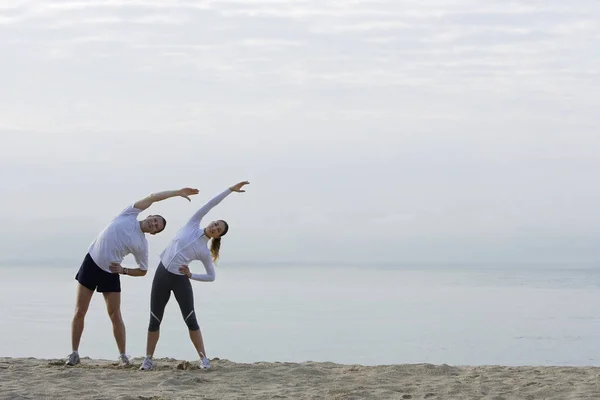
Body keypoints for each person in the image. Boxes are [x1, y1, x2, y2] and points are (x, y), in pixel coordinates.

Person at [65, 187, 200, 367]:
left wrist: (124, 270)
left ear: (153, 233)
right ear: (150, 215)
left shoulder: (142, 245)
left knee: (115, 314)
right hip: (91, 263)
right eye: (155, 220)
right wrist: (177, 193)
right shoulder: (129, 214)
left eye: (156, 226)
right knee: (80, 311)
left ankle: (122, 356)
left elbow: (143, 270)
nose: (153, 224)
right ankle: (74, 353)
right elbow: (153, 197)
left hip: (111, 272)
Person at [140, 180, 249, 371]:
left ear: (217, 236)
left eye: (218, 230)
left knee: (190, 319)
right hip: (161, 274)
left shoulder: (204, 252)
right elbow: (210, 204)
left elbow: (211, 276)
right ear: (211, 222)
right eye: (215, 224)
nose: (214, 227)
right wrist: (230, 190)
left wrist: (191, 275)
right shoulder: (193, 224)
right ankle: (148, 359)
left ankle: (203, 359)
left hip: (179, 279)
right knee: (154, 319)